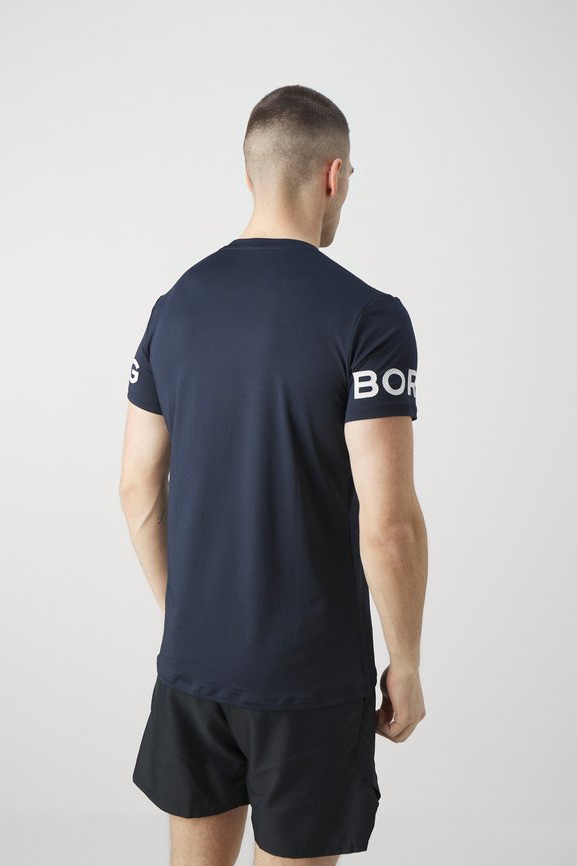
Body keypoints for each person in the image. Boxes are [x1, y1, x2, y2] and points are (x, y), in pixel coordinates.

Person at [119, 84, 428, 866]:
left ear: (248, 173)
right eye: (350, 177)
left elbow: (136, 487)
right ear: (333, 175)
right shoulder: (370, 318)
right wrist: (407, 663)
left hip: (193, 667)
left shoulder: (173, 307)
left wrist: (186, 614)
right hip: (309, 678)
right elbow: (389, 523)